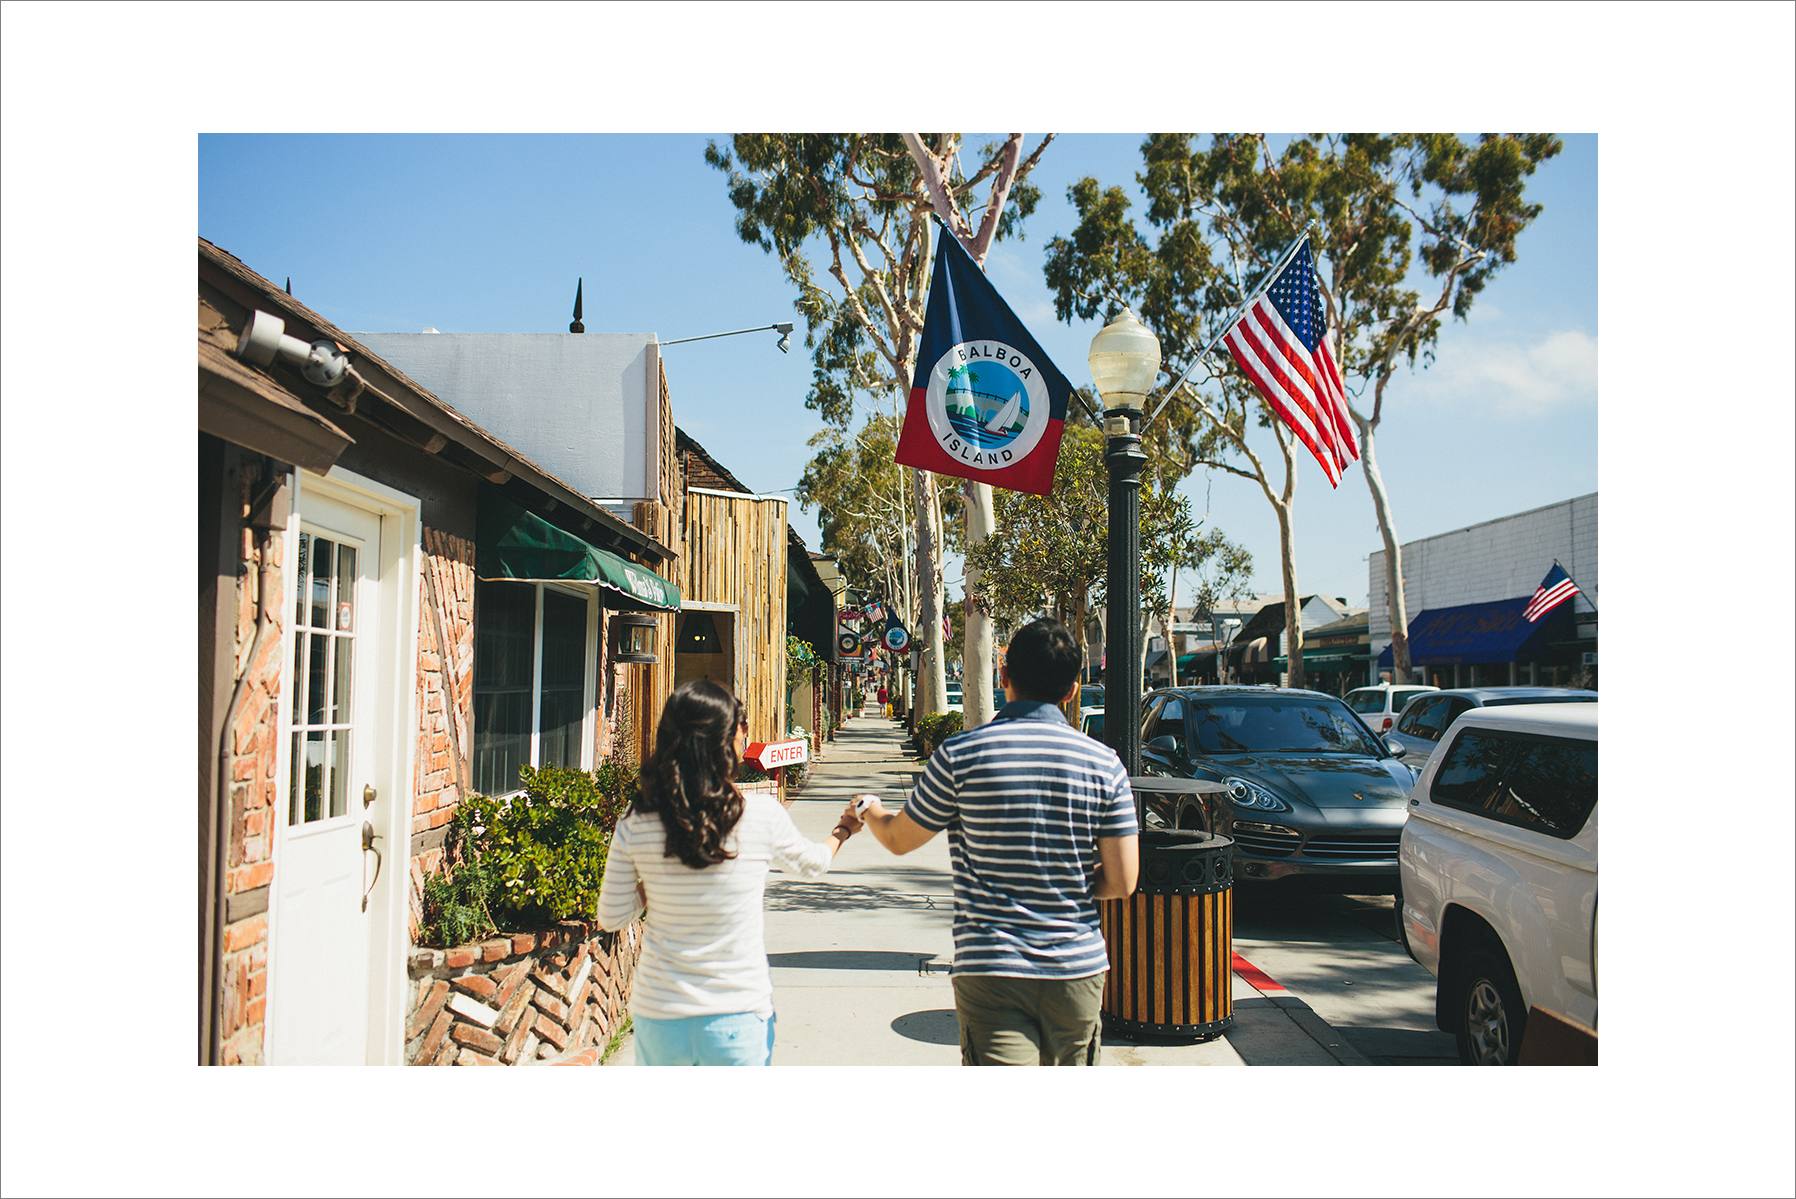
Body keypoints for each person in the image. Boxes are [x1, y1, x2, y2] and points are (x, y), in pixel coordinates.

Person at [856, 616, 1139, 1066]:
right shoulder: (1104, 764)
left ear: (1003, 676)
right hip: (1075, 967)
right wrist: (1065, 885)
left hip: (991, 966)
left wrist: (867, 809)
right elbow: (1123, 880)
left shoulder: (960, 755)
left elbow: (898, 840)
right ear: (1071, 690)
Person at [596, 679, 865, 1066]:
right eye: (743, 726)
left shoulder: (637, 820)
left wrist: (658, 882)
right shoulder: (759, 815)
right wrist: (844, 829)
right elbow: (813, 863)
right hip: (736, 1013)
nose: (746, 736)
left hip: (659, 1014)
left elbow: (611, 917)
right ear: (726, 739)